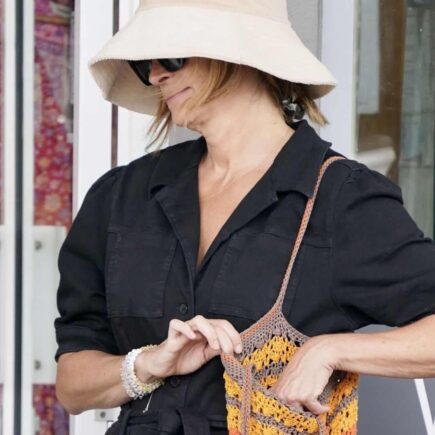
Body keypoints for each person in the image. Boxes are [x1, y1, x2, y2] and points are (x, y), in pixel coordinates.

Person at [54, 0, 435, 433]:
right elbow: (72, 385)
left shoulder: (341, 200)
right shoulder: (122, 196)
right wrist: (149, 363)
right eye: (145, 64)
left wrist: (332, 350)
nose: (157, 74)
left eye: (171, 57)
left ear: (237, 54)